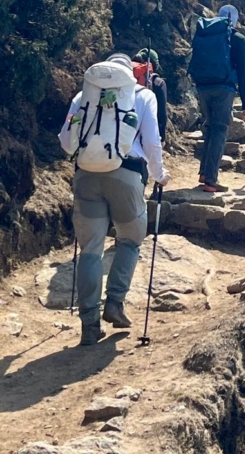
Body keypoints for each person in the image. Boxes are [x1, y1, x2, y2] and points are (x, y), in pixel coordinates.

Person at [58, 53, 170, 346]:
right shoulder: (143, 95)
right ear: (130, 73)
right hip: (126, 175)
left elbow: (65, 142)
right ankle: (115, 303)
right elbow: (151, 141)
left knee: (91, 250)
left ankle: (89, 324)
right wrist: (159, 174)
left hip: (86, 175)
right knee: (131, 238)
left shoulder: (84, 96)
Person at [189, 4, 245, 194]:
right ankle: (211, 180)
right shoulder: (238, 39)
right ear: (235, 19)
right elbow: (243, 72)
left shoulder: (205, 34)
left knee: (209, 127)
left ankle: (203, 172)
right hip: (224, 88)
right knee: (219, 130)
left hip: (202, 86)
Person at [132, 48, 168, 143]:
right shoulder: (158, 83)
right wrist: (162, 137)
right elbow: (162, 113)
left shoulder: (126, 77)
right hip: (146, 133)